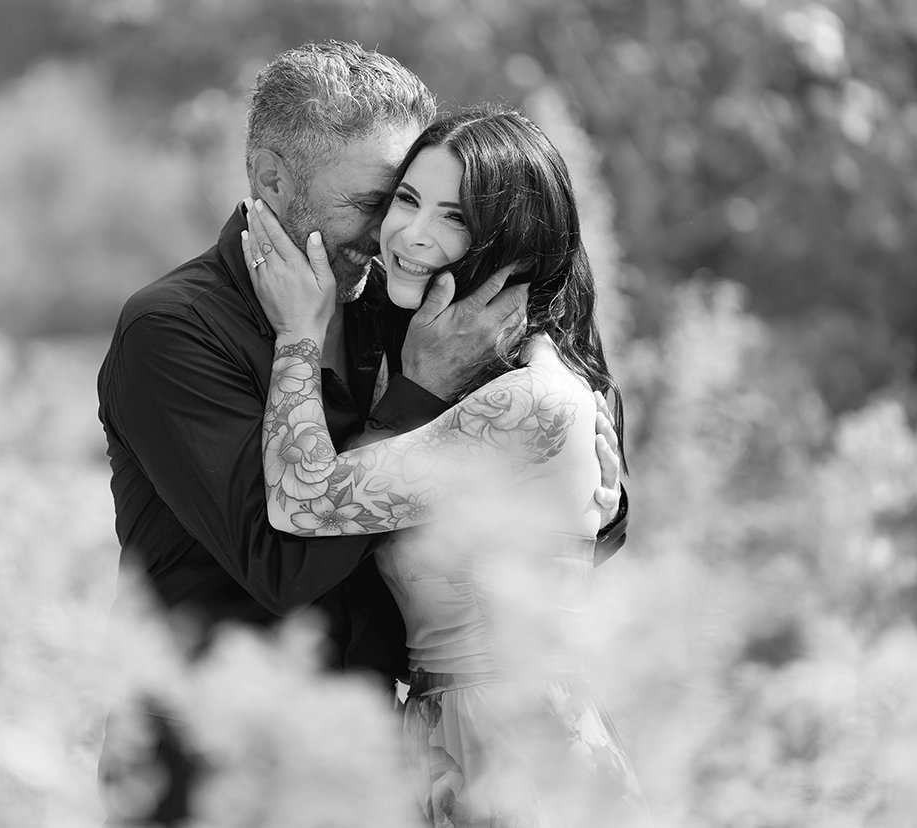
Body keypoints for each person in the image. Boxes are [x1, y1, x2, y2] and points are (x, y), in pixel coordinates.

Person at [96, 41, 628, 825]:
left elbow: (580, 511)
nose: (393, 232)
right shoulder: (173, 331)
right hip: (211, 770)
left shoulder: (401, 307)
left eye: (409, 200)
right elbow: (282, 562)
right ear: (270, 177)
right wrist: (414, 394)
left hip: (388, 766)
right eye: (376, 203)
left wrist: (577, 421)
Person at [243, 107, 650, 825]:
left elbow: (303, 499)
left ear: (512, 246)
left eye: (452, 217)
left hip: (514, 748)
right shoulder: (460, 374)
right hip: (449, 732)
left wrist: (297, 337)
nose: (410, 234)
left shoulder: (534, 399)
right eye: (406, 200)